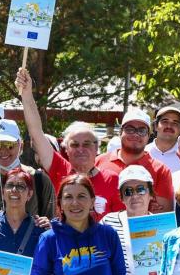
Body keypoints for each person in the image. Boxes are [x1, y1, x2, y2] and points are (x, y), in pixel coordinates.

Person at [16, 69, 121, 218]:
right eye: (75, 145)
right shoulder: (60, 168)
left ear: (97, 147)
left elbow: (122, 222)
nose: (81, 149)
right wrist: (27, 95)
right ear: (66, 149)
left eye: (86, 144)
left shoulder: (112, 179)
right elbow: (36, 132)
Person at [95, 110, 175, 213]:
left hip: (142, 229)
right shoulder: (99, 162)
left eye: (142, 130)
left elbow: (163, 217)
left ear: (148, 136)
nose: (136, 134)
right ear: (120, 132)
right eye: (129, 129)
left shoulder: (161, 170)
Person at [146, 103, 180, 173]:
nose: (169, 126)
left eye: (175, 123)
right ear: (155, 126)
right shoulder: (143, 153)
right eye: (165, 121)